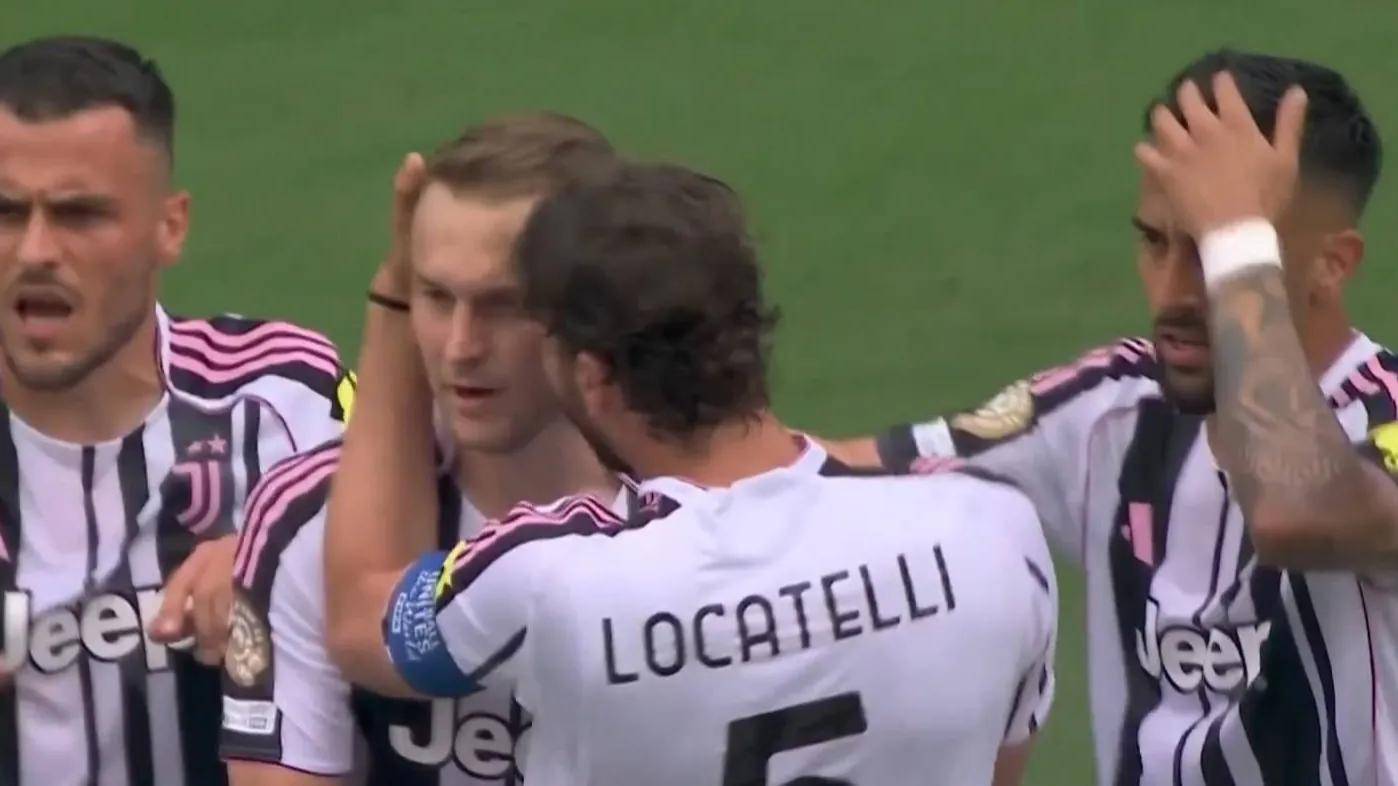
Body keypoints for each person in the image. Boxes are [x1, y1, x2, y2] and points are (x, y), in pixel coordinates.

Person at [320, 161, 1058, 785]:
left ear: (593, 378)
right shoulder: (989, 527)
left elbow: (361, 621)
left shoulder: (548, 575)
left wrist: (396, 297)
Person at [832, 50, 1397, 784]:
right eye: (1156, 243)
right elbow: (827, 477)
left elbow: (1296, 509)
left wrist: (1239, 239)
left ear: (1331, 264)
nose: (1173, 293)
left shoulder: (1385, 417)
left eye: (1214, 253)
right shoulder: (1115, 408)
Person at [219, 113, 630, 786]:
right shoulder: (305, 521)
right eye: (436, 297)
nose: (461, 347)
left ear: (598, 307)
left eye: (504, 305)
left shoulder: (691, 510)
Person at [0, 36, 348, 785]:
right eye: (5, 212)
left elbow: (464, 561)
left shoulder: (286, 397)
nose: (34, 251)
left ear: (170, 226)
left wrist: (282, 552)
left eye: (80, 215)